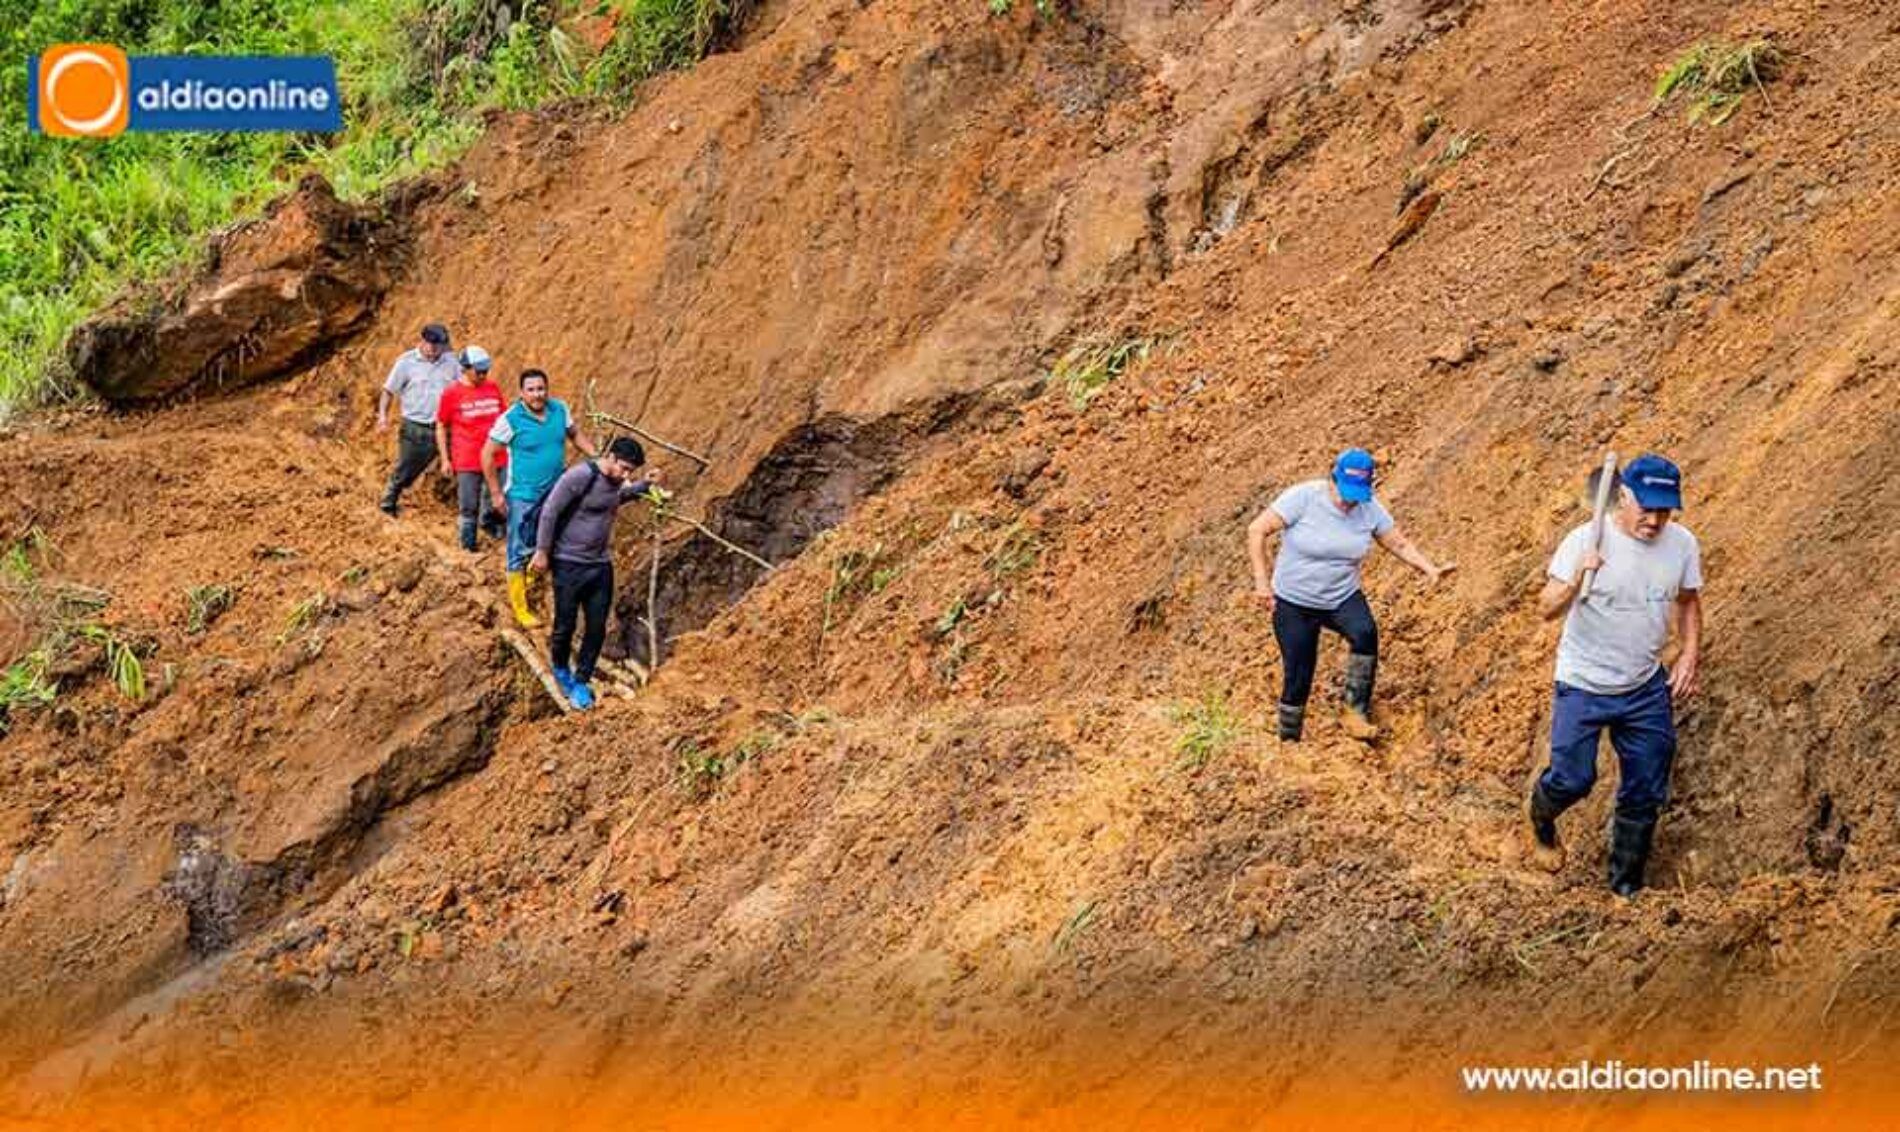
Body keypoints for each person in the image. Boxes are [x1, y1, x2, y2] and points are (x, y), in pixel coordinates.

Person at [1527, 454, 1702, 897]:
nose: (1655, 521)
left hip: (1644, 686)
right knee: (1573, 780)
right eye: (1647, 508)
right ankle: (1541, 818)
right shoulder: (1585, 540)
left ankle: (1625, 887)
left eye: (1665, 511)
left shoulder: (1682, 545)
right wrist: (1576, 579)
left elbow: (1687, 601)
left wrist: (1688, 654)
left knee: (1646, 788)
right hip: (1583, 683)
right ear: (1623, 496)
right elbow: (1545, 608)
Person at [1246, 448, 1455, 743]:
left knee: (1365, 633)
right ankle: (1289, 740)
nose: (1349, 501)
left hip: (1340, 596)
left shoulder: (1369, 509)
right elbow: (1257, 530)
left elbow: (1398, 543)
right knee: (1299, 673)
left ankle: (1355, 712)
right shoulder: (1303, 498)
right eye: (1345, 493)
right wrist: (1262, 582)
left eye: (1356, 494)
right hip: (1294, 600)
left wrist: (1428, 568)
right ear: (1332, 479)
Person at [530, 437, 656, 710]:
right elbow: (551, 511)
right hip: (568, 562)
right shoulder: (580, 477)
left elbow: (617, 498)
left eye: (630, 471)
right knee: (565, 625)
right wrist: (542, 551)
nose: (625, 475)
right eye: (623, 468)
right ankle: (560, 668)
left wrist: (644, 485)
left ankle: (582, 680)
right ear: (610, 457)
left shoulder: (616, 482)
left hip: (599, 565)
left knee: (597, 627)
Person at [481, 369, 596, 628]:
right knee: (519, 547)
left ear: (547, 389)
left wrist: (597, 457)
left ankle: (534, 584)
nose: (537, 394)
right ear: (521, 393)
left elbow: (575, 435)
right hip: (523, 495)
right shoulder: (511, 418)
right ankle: (520, 609)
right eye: (531, 390)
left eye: (541, 389)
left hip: (556, 492)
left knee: (550, 540)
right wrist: (496, 493)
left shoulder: (559, 409)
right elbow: (487, 454)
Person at [377, 323, 460, 517]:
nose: (434, 348)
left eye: (438, 345)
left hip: (446, 427)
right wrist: (382, 417)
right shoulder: (406, 363)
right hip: (416, 427)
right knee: (407, 468)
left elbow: (464, 388)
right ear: (422, 341)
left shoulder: (452, 363)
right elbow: (388, 391)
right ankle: (388, 502)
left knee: (462, 464)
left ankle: (462, 506)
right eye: (430, 344)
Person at [435, 346, 509, 552]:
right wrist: (445, 459)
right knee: (469, 506)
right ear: (465, 369)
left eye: (486, 371)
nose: (483, 375)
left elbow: (505, 418)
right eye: (479, 371)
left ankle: (496, 534)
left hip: (497, 456)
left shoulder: (492, 387)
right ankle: (467, 547)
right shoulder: (452, 393)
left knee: (501, 498)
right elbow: (441, 425)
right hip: (468, 459)